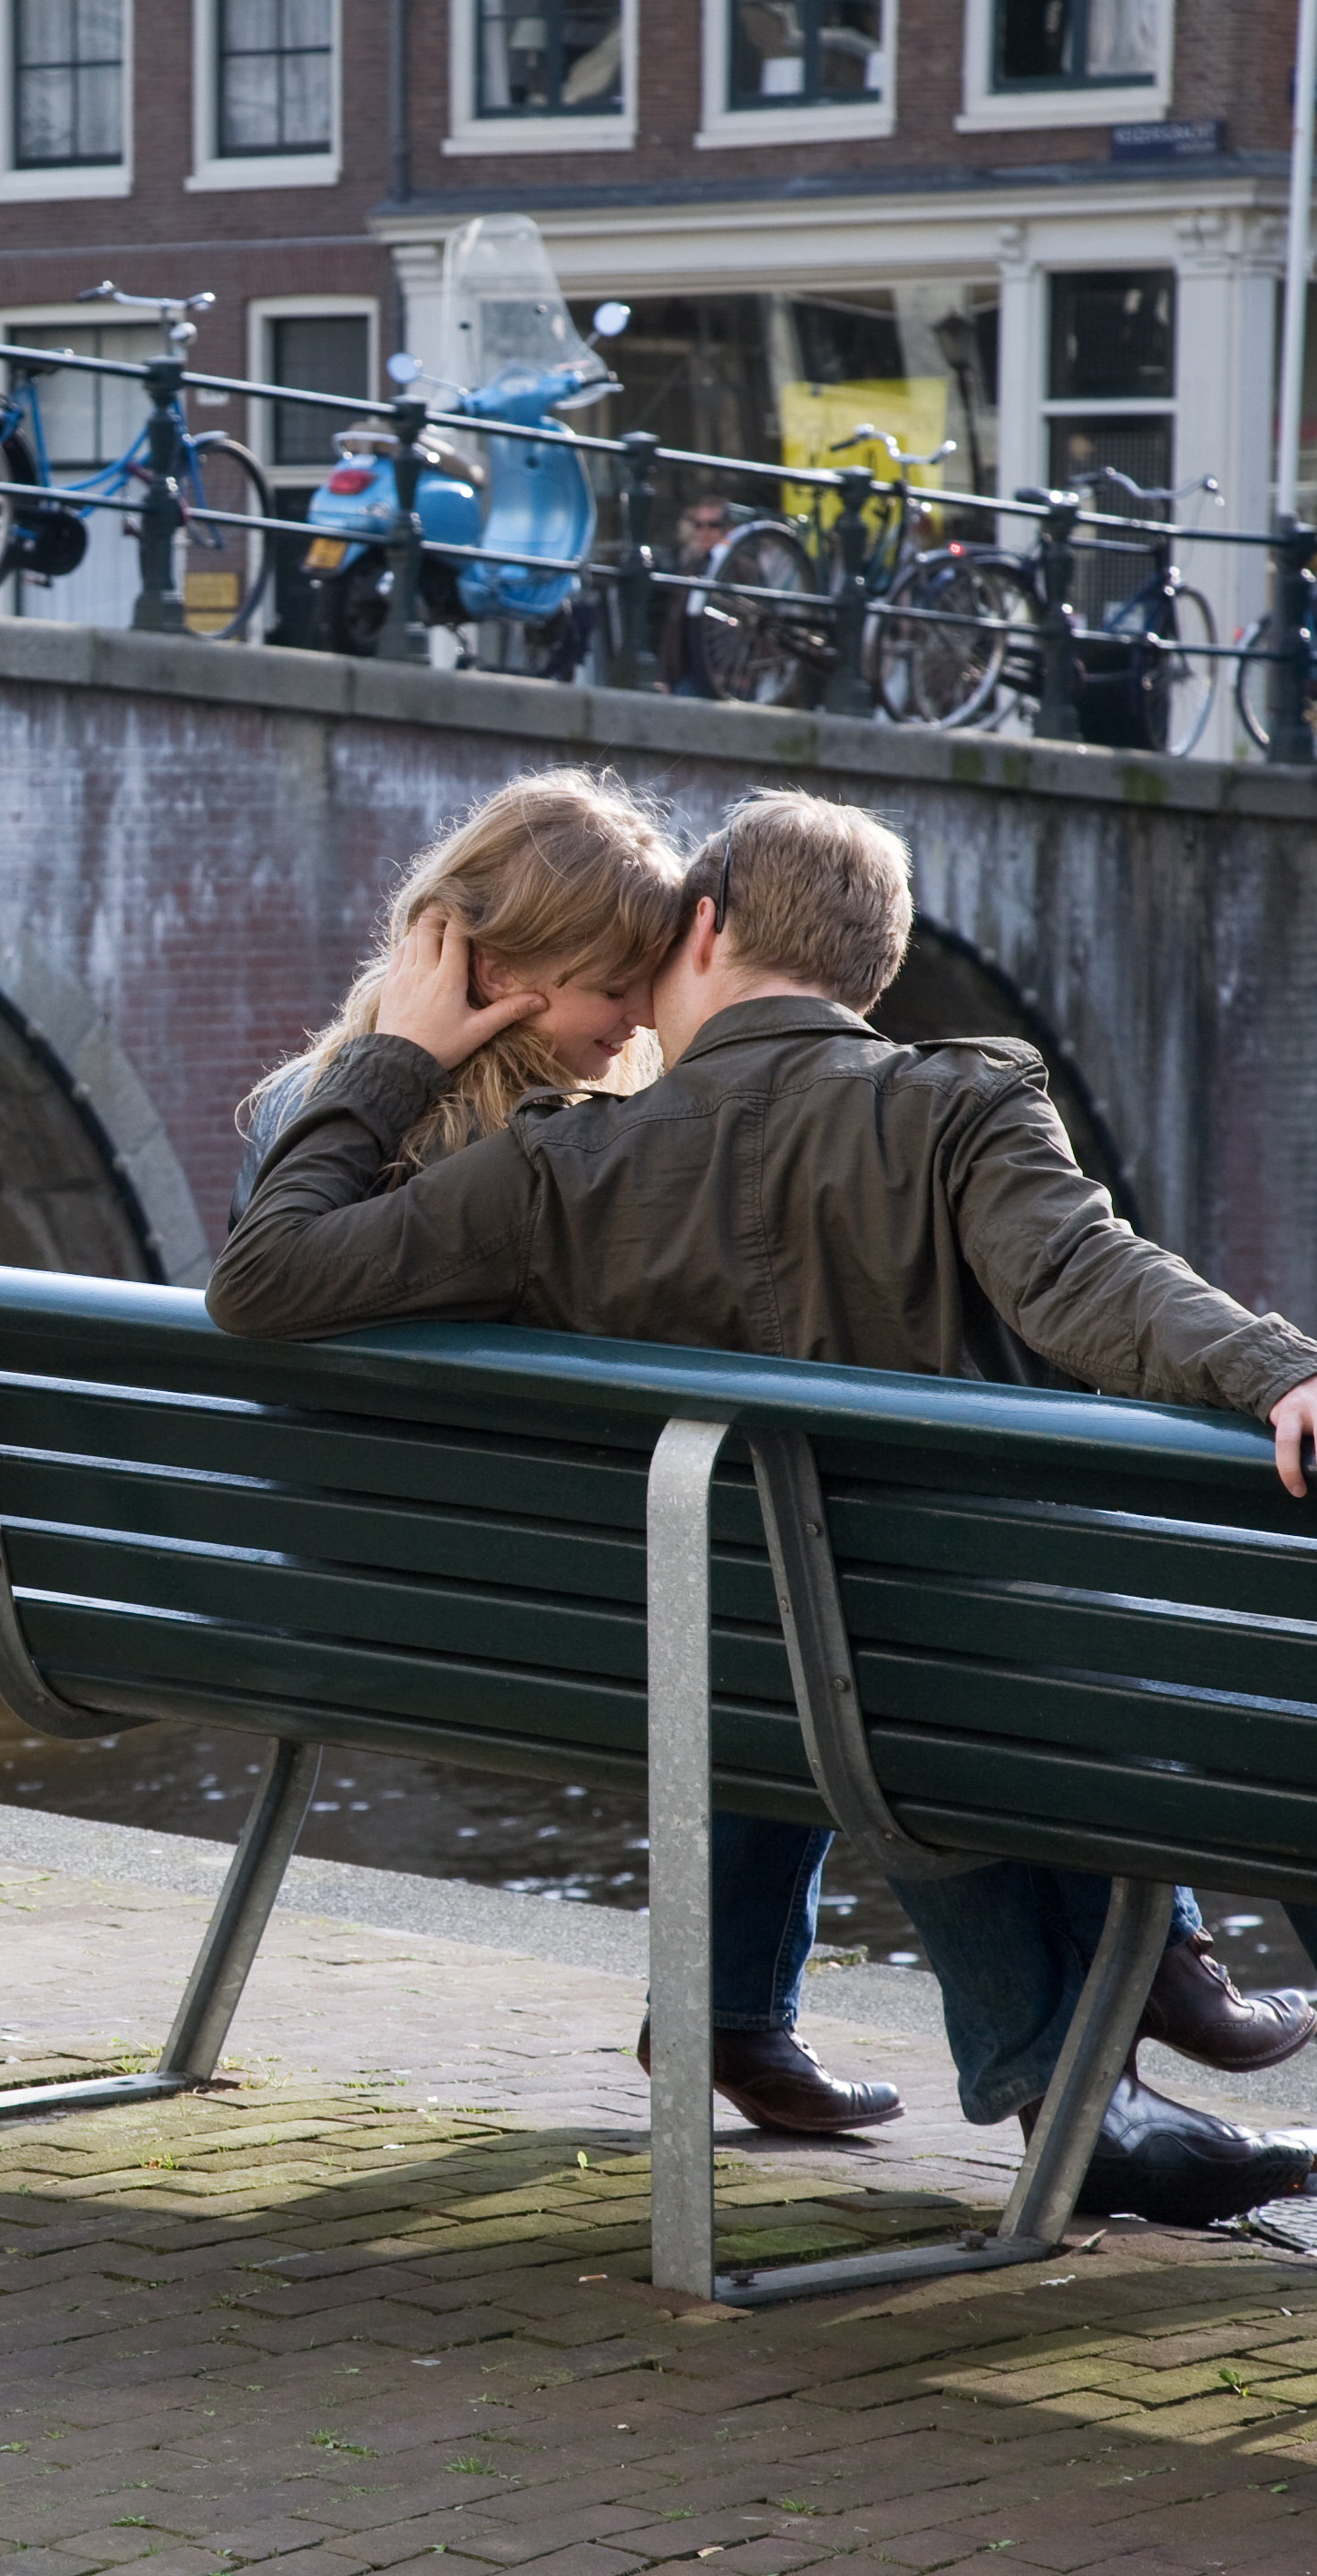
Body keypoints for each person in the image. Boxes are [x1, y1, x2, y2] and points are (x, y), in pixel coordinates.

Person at [210, 788, 1317, 2289]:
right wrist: (1285, 1367)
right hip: (950, 1700)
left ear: (705, 929)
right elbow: (1084, 1276)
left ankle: (1065, 2073)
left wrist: (395, 1056)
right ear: (867, 968)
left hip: (709, 1676)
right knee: (1301, 1705)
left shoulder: (556, 1168)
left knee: (829, 1632)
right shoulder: (958, 1101)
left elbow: (268, 1275)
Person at [235, 772, 912, 2142]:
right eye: (615, 985)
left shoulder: (310, 1112)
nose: (633, 1024)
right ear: (493, 972)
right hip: (566, 1636)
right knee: (802, 1585)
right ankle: (740, 2014)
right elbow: (271, 1278)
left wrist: (391, 1059)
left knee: (765, 1571)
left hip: (349, 1612)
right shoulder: (558, 1159)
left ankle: (737, 2016)